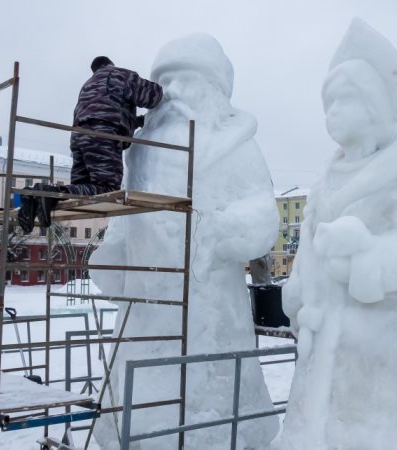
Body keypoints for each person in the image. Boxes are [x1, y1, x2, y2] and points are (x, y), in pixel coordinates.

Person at [90, 35, 279, 450]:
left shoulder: (237, 147)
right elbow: (129, 209)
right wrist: (115, 248)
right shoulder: (139, 151)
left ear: (214, 90)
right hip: (146, 305)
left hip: (209, 303)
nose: (172, 92)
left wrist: (224, 232)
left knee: (210, 397)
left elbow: (263, 214)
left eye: (185, 79)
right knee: (140, 393)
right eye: (165, 80)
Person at [277, 19, 397, 449]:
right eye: (328, 104)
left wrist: (363, 256)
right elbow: (310, 249)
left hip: (381, 345)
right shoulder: (323, 184)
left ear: (374, 106)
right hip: (322, 344)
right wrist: (298, 287)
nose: (332, 112)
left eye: (344, 101)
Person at [18, 56, 164, 233]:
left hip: (80, 137)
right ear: (110, 65)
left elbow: (106, 110)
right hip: (102, 136)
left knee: (81, 194)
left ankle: (35, 195)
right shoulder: (118, 75)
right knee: (106, 190)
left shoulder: (87, 86)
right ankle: (48, 192)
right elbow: (152, 96)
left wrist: (137, 121)